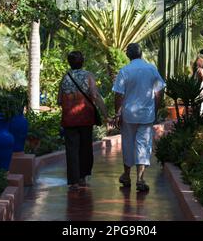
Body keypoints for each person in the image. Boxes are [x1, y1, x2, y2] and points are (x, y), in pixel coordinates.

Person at [112, 43, 165, 192]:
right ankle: (140, 179)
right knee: (143, 145)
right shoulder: (151, 69)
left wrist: (118, 113)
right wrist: (155, 109)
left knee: (128, 144)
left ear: (128, 55)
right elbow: (159, 92)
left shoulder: (125, 71)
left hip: (128, 114)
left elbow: (118, 95)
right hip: (147, 114)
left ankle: (127, 176)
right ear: (141, 54)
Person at [58, 51, 109, 190]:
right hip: (85, 118)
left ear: (69, 62)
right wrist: (105, 114)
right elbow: (95, 95)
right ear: (83, 62)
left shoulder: (65, 77)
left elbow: (59, 100)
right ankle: (82, 178)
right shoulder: (88, 76)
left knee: (71, 149)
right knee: (85, 147)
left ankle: (73, 181)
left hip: (69, 119)